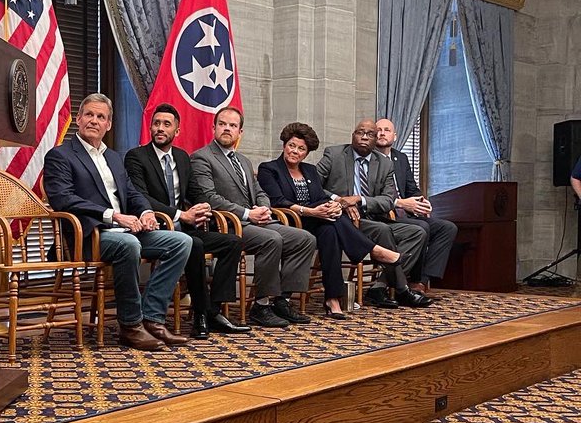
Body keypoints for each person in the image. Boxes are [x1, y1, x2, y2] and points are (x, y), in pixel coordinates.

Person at [43, 94, 193, 351]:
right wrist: (111, 215)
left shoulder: (113, 157)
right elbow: (63, 198)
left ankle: (152, 317)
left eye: (101, 117)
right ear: (78, 119)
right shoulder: (60, 155)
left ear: (109, 125)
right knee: (128, 244)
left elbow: (133, 193)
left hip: (125, 230)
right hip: (88, 235)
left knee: (182, 242)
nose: (94, 121)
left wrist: (146, 212)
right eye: (89, 114)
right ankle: (130, 325)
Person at [124, 104, 250, 339]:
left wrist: (203, 206)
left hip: (185, 228)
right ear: (150, 127)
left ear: (177, 131)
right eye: (156, 123)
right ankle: (200, 315)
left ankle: (213, 310)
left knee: (233, 242)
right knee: (195, 245)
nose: (160, 128)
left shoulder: (182, 157)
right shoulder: (136, 156)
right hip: (156, 228)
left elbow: (195, 192)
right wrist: (180, 215)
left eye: (166, 124)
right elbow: (141, 197)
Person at [258, 122, 403, 319]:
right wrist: (311, 211)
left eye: (301, 149)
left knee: (331, 232)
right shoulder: (269, 169)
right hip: (288, 221)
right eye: (292, 146)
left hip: (316, 221)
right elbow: (278, 201)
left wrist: (332, 206)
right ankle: (373, 251)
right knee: (334, 224)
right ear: (284, 144)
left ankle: (331, 299)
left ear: (306, 153)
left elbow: (320, 195)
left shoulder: (309, 170)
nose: (295, 152)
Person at [190, 107, 316, 328]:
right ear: (213, 128)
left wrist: (264, 209)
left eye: (232, 125)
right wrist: (249, 214)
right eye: (222, 124)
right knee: (271, 240)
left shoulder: (243, 161)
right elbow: (208, 197)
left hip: (256, 221)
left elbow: (259, 192)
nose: (227, 129)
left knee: (304, 239)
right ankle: (261, 305)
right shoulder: (202, 158)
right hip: (227, 224)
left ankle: (282, 300)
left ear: (240, 132)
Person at [316, 120, 430, 308]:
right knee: (382, 230)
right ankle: (402, 289)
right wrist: (340, 200)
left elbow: (387, 199)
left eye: (370, 134)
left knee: (418, 232)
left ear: (376, 139)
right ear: (353, 135)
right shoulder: (334, 154)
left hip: (372, 215)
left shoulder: (384, 163)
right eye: (360, 133)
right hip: (344, 220)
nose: (364, 137)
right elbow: (314, 186)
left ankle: (379, 285)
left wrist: (360, 199)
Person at [375, 118, 458, 295]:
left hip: (407, 213)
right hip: (385, 215)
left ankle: (421, 280)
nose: (382, 133)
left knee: (447, 228)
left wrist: (421, 202)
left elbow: (411, 188)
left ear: (395, 136)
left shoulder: (401, 158)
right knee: (422, 227)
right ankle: (406, 280)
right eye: (379, 130)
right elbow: (371, 194)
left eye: (387, 130)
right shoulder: (370, 159)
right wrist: (402, 203)